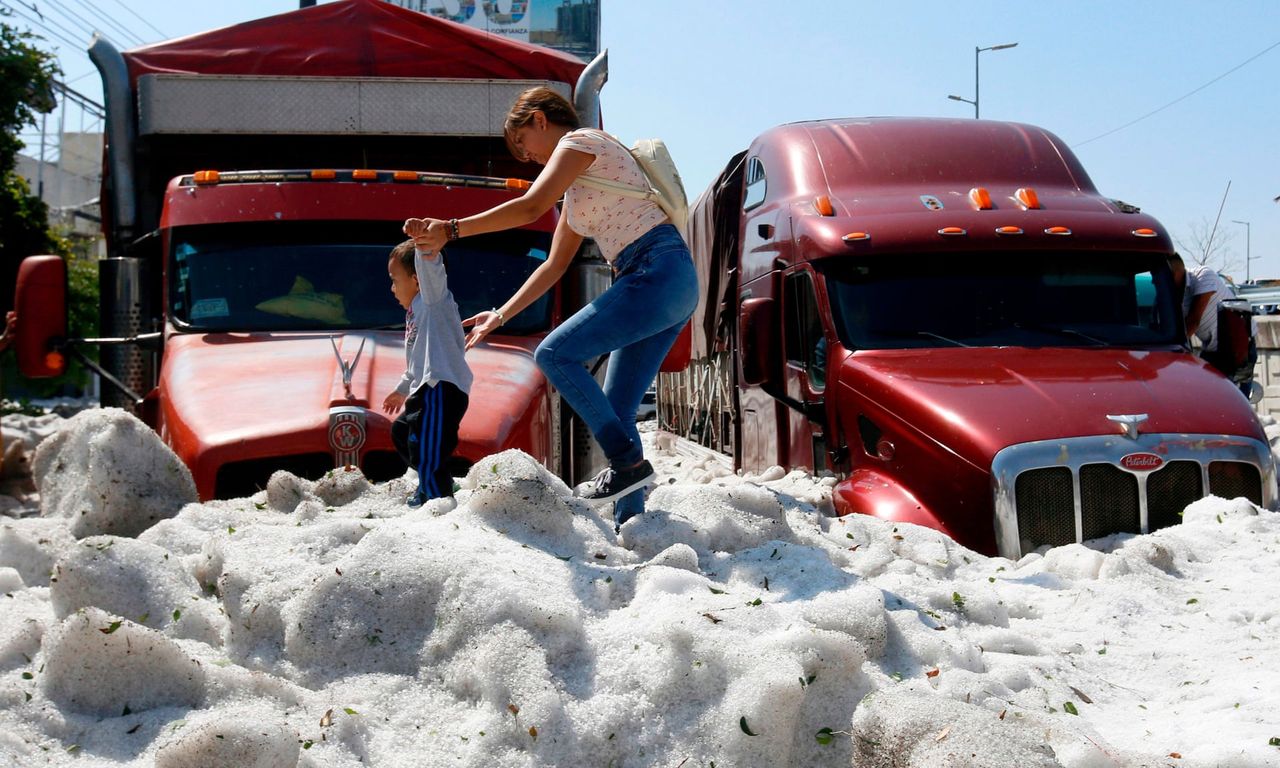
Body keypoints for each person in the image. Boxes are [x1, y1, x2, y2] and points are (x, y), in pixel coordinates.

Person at [403, 86, 698, 530]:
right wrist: (500, 313)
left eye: (523, 143)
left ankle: (628, 465)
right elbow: (554, 266)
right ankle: (632, 527)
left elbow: (529, 207)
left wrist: (452, 229)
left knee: (554, 354)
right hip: (662, 280)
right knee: (618, 411)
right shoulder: (578, 196)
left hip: (655, 270)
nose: (528, 158)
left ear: (540, 119)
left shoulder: (581, 142)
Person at [383, 240, 472, 507]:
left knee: (426, 446)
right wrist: (401, 389)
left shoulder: (432, 301)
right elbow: (416, 361)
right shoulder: (415, 312)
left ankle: (434, 498)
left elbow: (431, 270)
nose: (392, 288)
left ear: (417, 279)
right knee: (402, 431)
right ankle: (436, 481)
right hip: (423, 387)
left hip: (440, 387)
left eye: (394, 279)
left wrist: (425, 244)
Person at [1168, 254, 1257, 397]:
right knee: (1205, 398)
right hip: (1211, 349)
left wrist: (1170, 353)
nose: (1155, 282)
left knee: (1236, 401)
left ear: (1175, 272)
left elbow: (1193, 321)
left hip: (1237, 347)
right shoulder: (1172, 294)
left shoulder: (1203, 276)